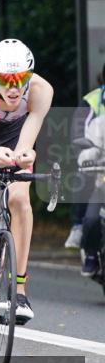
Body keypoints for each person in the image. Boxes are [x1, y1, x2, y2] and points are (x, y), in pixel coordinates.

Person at [0, 39, 53, 325]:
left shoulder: (41, 91)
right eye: (6, 79)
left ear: (30, 76)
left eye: (21, 79)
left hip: (14, 134)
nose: (14, 87)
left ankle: (20, 292)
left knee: (19, 200)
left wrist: (25, 155)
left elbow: (26, 142)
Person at [76, 62, 105, 275]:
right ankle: (92, 254)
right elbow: (84, 139)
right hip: (101, 173)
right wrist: (86, 158)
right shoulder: (94, 104)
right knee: (92, 219)